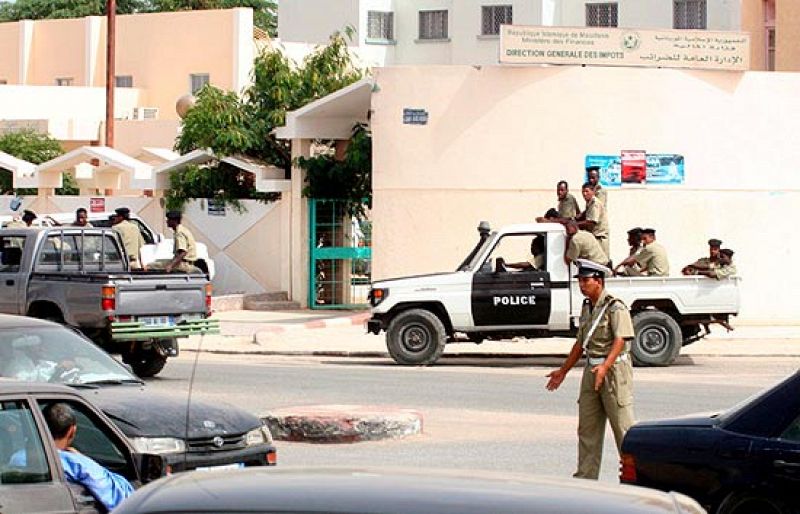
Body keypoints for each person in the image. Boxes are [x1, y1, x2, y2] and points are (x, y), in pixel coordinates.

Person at [545, 260, 635, 480]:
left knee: (623, 428)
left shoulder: (615, 307)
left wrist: (605, 366)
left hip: (613, 371)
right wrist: (563, 371)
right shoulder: (587, 307)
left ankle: (636, 477)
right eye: (580, 281)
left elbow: (621, 339)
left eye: (586, 280)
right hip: (592, 369)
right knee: (588, 429)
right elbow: (580, 343)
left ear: (599, 281)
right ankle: (586, 478)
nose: (582, 285)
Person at [43, 403, 134, 511]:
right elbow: (122, 498)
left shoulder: (21, 458)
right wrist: (83, 460)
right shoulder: (77, 464)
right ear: (72, 431)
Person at [576, 183, 609, 258]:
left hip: (599, 237)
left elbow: (591, 222)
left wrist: (575, 224)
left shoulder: (595, 203)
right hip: (594, 237)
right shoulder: (589, 203)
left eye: (587, 191)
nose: (584, 194)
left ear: (593, 192)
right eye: (583, 192)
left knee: (600, 262)